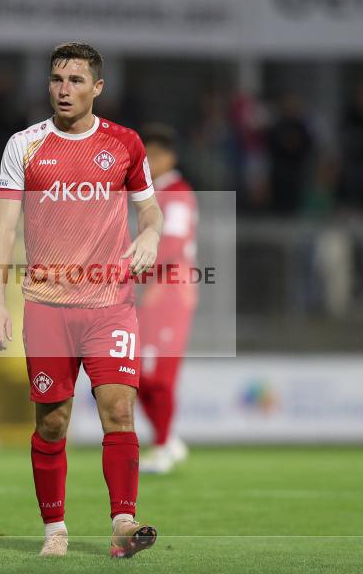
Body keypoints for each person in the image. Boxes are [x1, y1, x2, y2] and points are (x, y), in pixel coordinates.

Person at [0, 42, 163, 558]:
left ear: (97, 88)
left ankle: (124, 525)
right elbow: (2, 229)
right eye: (57, 79)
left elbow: (150, 212)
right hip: (47, 305)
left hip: (110, 305)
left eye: (76, 80)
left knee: (117, 411)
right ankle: (54, 531)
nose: (65, 89)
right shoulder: (24, 146)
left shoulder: (125, 144)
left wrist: (150, 235)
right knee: (53, 421)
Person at [136, 123, 198, 474]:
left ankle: (162, 446)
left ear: (170, 157)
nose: (148, 162)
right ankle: (168, 438)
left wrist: (134, 270)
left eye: (153, 156)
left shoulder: (176, 192)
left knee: (158, 375)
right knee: (137, 375)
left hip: (170, 291)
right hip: (151, 292)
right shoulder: (154, 194)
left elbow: (171, 245)